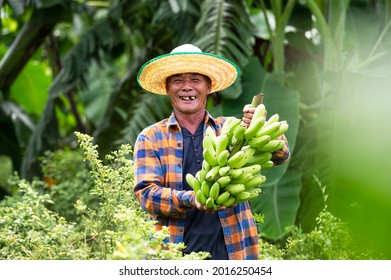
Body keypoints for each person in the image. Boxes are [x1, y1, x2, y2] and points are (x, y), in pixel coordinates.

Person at [133, 44, 290, 260]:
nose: (187, 87)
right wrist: (192, 198)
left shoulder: (230, 130)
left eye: (195, 80)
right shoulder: (151, 137)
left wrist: (258, 126)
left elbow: (281, 155)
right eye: (178, 80)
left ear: (208, 86)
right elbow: (147, 195)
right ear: (168, 87)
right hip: (175, 254)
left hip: (233, 252)